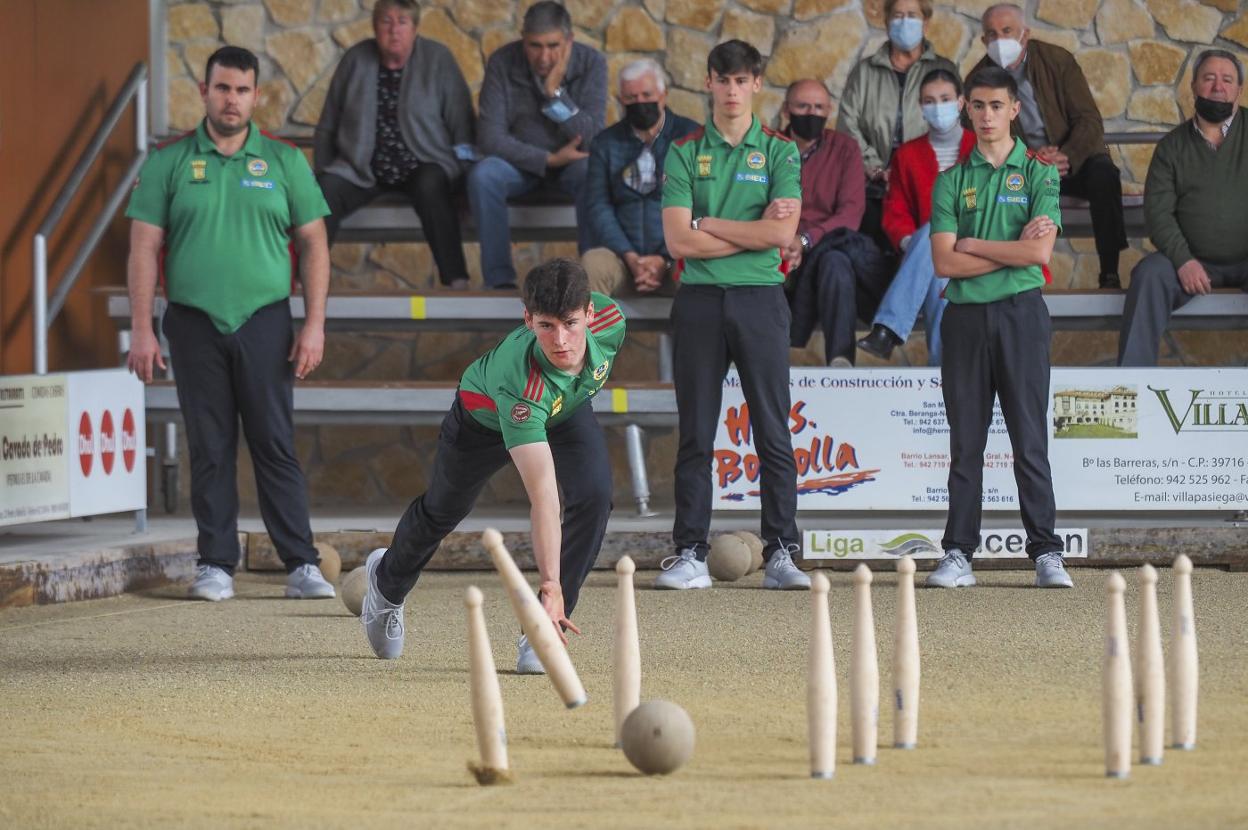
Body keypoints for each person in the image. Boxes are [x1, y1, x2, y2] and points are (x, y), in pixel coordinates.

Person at [125, 47, 335, 602]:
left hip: (266, 320)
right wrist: (143, 328)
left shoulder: (285, 161)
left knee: (274, 441)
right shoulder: (169, 162)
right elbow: (144, 247)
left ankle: (301, 564)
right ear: (204, 91)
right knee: (210, 445)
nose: (232, 99)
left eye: (242, 90)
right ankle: (215, 564)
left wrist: (314, 323)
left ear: (256, 95)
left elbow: (314, 242)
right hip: (192, 322)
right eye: (222, 88)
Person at [359, 259, 625, 671]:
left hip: (564, 409)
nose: (561, 341)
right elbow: (544, 499)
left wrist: (553, 594)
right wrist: (548, 582)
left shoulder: (612, 322)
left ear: (591, 313)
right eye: (546, 326)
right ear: (528, 320)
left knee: (595, 497)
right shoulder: (519, 381)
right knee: (443, 511)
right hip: (483, 421)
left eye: (571, 323)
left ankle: (543, 626)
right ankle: (385, 583)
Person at [658, 39, 810, 592]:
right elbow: (678, 242)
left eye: (742, 81)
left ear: (756, 85)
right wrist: (746, 235)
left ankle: (782, 551)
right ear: (708, 82)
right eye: (723, 80)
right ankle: (689, 552)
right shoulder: (681, 150)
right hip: (698, 301)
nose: (731, 90)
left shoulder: (779, 152)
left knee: (773, 430)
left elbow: (781, 236)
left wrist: (710, 224)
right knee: (697, 433)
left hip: (761, 300)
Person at [928, 66, 1073, 590]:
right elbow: (944, 263)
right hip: (964, 320)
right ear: (967, 109)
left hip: (1021, 316)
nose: (987, 116)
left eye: (997, 106)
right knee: (965, 444)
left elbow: (1039, 254)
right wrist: (1008, 253)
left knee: (1029, 440)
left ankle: (1047, 552)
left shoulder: (1038, 173)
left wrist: (976, 245)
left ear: (1014, 109)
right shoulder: (950, 180)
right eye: (978, 106)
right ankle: (958, 552)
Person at [314, 0, 474, 289]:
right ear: (375, 27)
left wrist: (463, 184)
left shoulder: (438, 59)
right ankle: (302, 281)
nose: (394, 30)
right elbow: (328, 125)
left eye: (402, 22)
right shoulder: (355, 59)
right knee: (323, 191)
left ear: (415, 28)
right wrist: (326, 169)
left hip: (422, 165)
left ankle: (456, 280)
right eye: (386, 21)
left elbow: (463, 128)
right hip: (361, 170)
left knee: (431, 182)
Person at [968, 3, 1126, 290]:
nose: (999, 40)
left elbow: (1089, 120)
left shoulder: (1057, 61)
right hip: (1023, 170)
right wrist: (1031, 160)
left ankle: (1110, 272)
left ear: (1025, 34)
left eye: (1007, 31)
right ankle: (1014, 280)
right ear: (983, 41)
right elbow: (981, 137)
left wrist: (1066, 155)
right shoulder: (977, 81)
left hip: (1072, 161)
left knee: (1104, 174)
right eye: (992, 34)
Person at [1119, 50, 1248, 366]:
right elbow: (1158, 212)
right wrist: (1183, 260)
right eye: (1209, 78)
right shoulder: (1172, 146)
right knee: (1148, 276)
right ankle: (1133, 387)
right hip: (1191, 262)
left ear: (1239, 90)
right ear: (1192, 86)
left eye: (1227, 79)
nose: (1218, 86)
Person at [468, 1, 607, 289]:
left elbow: (592, 135)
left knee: (593, 169)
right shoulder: (501, 62)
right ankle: (499, 281)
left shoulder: (592, 62)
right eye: (535, 46)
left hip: (573, 167)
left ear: (569, 41)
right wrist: (548, 159)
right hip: (520, 167)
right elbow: (490, 138)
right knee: (484, 175)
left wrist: (555, 94)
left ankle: (591, 283)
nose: (544, 56)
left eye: (553, 45)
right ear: (523, 39)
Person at [858, 69, 976, 365]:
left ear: (961, 103)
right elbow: (895, 210)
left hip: (978, 248)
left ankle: (887, 329)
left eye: (945, 99)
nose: (938, 107)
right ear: (921, 107)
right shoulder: (907, 155)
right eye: (930, 101)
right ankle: (944, 373)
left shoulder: (982, 149)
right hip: (932, 261)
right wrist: (913, 243)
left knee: (939, 229)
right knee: (941, 276)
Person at [776, 79, 883, 367]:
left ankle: (840, 363)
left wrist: (806, 241)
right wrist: (785, 243)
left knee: (836, 262)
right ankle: (760, 368)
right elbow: (754, 204)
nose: (812, 113)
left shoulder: (845, 148)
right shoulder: (768, 147)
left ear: (829, 111)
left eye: (819, 107)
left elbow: (850, 212)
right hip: (777, 246)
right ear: (787, 110)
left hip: (827, 244)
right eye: (803, 106)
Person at [838, 0, 956, 249]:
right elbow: (848, 125)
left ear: (925, 23)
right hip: (873, 184)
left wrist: (912, 170)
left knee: (930, 245)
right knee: (866, 249)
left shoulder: (944, 69)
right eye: (897, 15)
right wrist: (877, 169)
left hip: (929, 181)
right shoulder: (865, 71)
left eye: (912, 15)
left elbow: (955, 126)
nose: (904, 22)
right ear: (886, 22)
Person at [581, 58, 698, 298]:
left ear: (663, 95)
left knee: (698, 265)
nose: (640, 103)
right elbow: (598, 205)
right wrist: (631, 257)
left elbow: (703, 202)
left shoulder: (692, 138)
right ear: (621, 100)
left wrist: (663, 258)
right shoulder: (606, 143)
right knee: (593, 263)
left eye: (647, 95)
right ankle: (594, 337)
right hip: (623, 260)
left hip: (677, 256)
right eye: (631, 98)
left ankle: (693, 337)